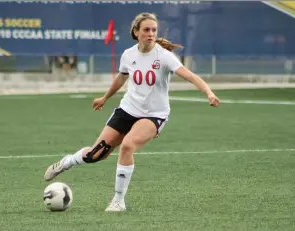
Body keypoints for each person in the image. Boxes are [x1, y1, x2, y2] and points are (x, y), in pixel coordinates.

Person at [44, 12, 220, 212]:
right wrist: (104, 98)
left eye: (154, 30)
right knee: (95, 155)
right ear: (136, 32)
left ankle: (118, 201)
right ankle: (67, 162)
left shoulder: (164, 56)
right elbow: (121, 78)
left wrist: (209, 93)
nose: (151, 33)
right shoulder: (128, 54)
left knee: (127, 146)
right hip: (127, 110)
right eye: (146, 30)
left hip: (154, 115)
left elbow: (190, 76)